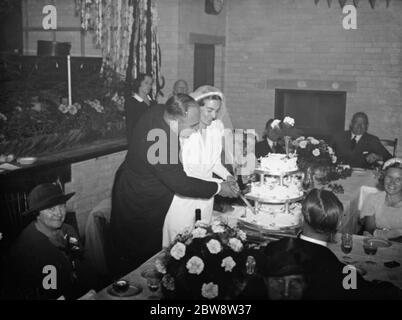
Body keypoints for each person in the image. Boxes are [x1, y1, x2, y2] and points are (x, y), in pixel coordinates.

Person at [108, 94, 239, 277]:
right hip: (138, 199)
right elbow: (182, 184)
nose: (195, 131)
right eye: (192, 126)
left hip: (141, 184)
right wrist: (219, 187)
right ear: (176, 120)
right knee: (139, 255)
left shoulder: (163, 110)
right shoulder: (162, 143)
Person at [261, 189, 402, 300]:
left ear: (301, 217)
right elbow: (369, 293)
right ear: (339, 224)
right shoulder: (343, 272)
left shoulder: (272, 248)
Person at [162, 86, 239, 247]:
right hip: (184, 197)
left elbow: (214, 163)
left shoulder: (216, 127)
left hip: (207, 197)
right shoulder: (183, 130)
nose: (214, 115)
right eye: (209, 110)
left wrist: (227, 176)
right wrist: (220, 186)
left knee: (201, 244)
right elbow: (181, 173)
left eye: (217, 111)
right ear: (197, 107)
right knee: (177, 246)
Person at [2, 183, 96, 300]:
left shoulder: (69, 231)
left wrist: (92, 290)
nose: (59, 213)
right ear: (37, 214)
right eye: (51, 209)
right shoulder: (26, 249)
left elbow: (81, 262)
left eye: (62, 206)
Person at [361, 158, 402, 241]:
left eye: (398, 179)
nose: (392, 182)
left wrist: (379, 233)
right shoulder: (372, 198)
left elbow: (374, 233)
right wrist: (397, 232)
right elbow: (370, 229)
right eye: (389, 177)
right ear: (383, 178)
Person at [124, 73, 155, 145]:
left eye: (150, 84)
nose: (149, 86)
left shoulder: (153, 103)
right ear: (139, 83)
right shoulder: (131, 102)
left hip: (153, 142)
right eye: (146, 83)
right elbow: (130, 126)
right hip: (138, 142)